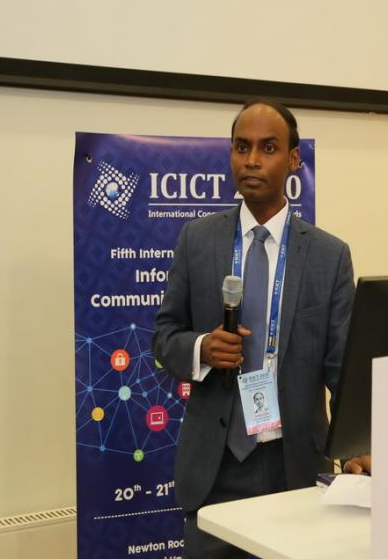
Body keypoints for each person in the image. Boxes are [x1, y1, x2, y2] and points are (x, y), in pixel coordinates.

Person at [153, 99, 361, 558]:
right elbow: (164, 336)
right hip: (215, 468)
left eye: (268, 148)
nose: (251, 160)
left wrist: (356, 448)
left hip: (294, 466)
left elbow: (343, 371)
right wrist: (202, 348)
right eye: (241, 147)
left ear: (293, 159)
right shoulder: (196, 240)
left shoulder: (329, 256)